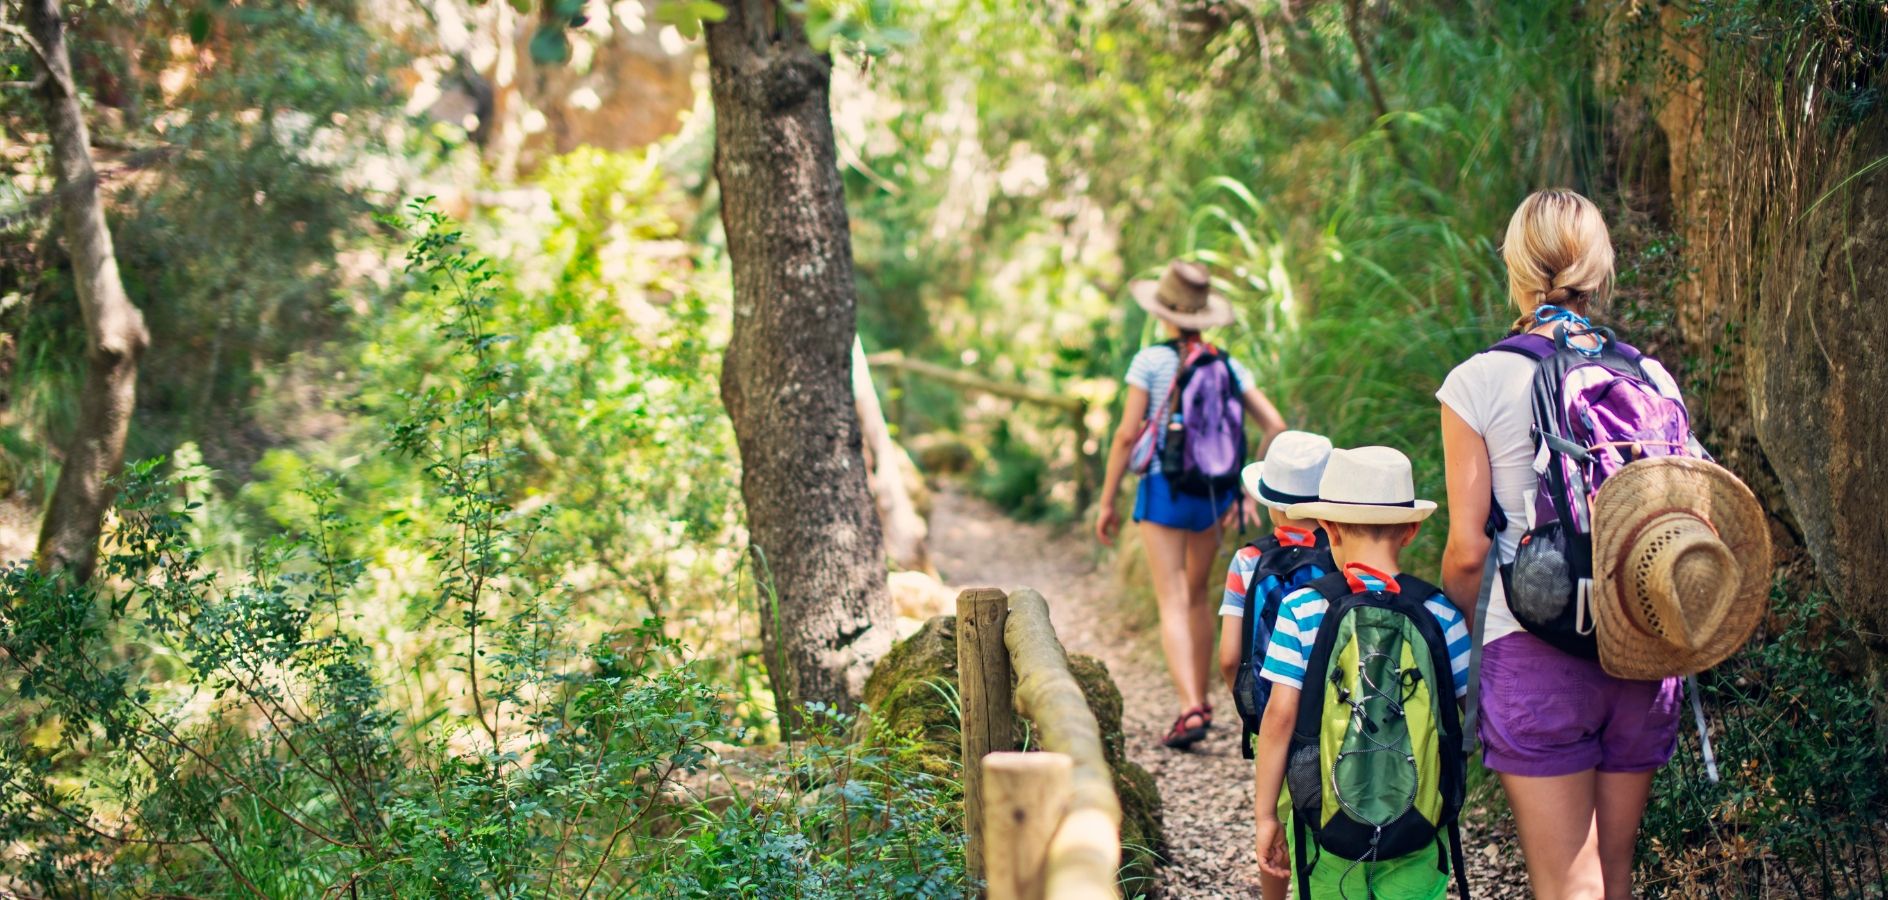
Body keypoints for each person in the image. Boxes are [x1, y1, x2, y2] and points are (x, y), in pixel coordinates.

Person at [1436, 189, 1686, 900]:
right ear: (1599, 272)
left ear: (1515, 269)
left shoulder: (1476, 382)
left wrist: (1471, 622)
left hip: (1534, 647)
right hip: (1644, 641)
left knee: (1565, 883)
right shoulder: (1651, 378)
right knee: (1613, 874)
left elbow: (1467, 552)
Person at [1250, 445, 1472, 899]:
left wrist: (1266, 815)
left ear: (1327, 528)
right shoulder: (1439, 612)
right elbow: (1466, 715)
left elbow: (1278, 719)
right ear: (1410, 530)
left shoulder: (1303, 609)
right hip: (1419, 821)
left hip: (1327, 821)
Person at [1096, 259, 1287, 749]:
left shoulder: (1151, 362)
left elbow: (1126, 434)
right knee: (1198, 595)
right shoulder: (1227, 364)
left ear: (1163, 311)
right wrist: (1247, 491)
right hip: (1213, 492)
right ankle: (1201, 696)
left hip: (1163, 489)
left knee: (1171, 598)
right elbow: (1276, 427)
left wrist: (1107, 500)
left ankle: (1191, 707)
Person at [1217, 430, 1333, 900]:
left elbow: (1229, 657)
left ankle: (1274, 894)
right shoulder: (1344, 556)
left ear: (1269, 502)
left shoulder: (1249, 561)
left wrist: (1252, 711)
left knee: (1279, 813)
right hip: (1338, 709)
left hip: (1276, 716)